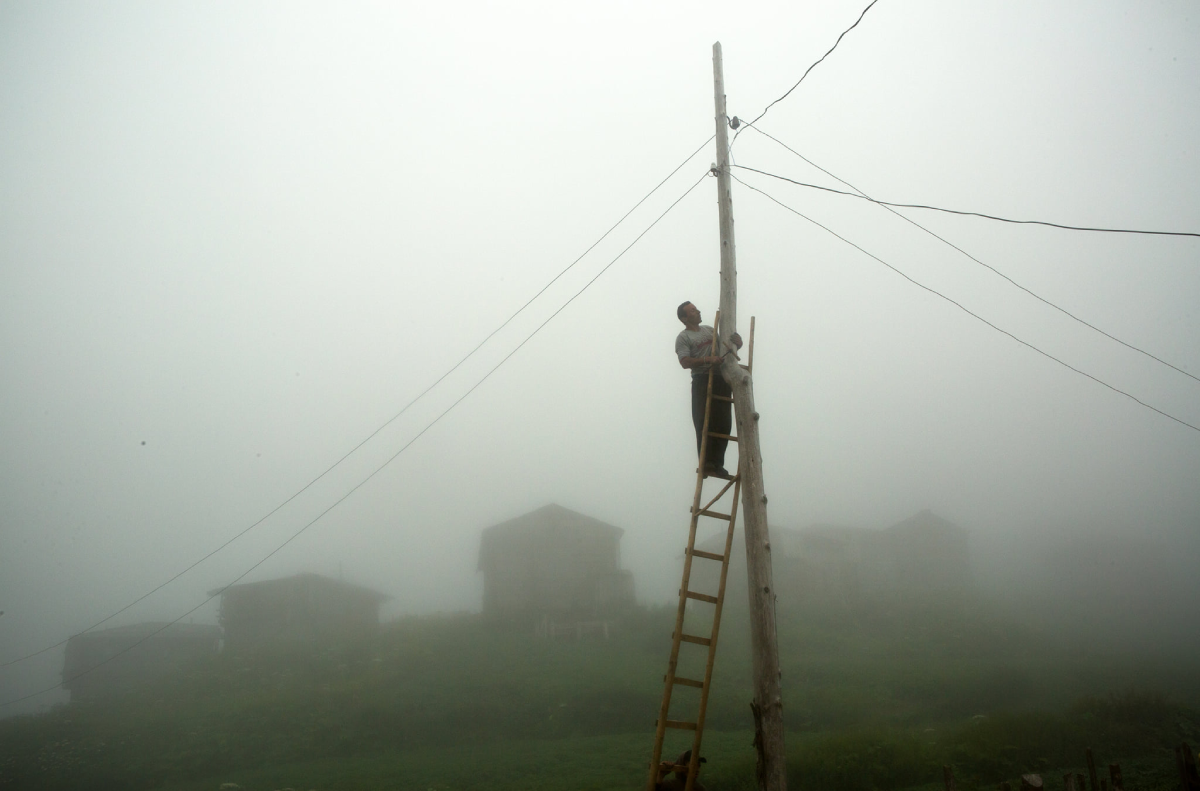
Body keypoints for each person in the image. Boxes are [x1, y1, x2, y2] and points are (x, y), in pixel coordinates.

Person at [675, 301, 741, 478]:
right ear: (684, 318)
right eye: (693, 311)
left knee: (723, 422)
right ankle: (707, 463)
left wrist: (737, 344)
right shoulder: (683, 337)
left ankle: (718, 464)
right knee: (704, 421)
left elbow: (725, 348)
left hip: (720, 377)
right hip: (702, 379)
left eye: (696, 309)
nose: (698, 311)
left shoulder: (709, 330)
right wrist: (707, 360)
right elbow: (685, 362)